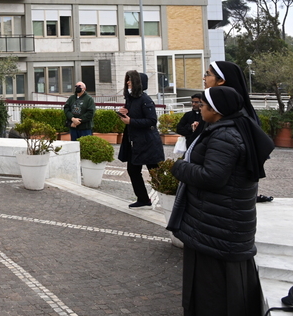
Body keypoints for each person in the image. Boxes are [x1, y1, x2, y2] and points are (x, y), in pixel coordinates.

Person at [167, 86, 275, 316]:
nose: (199, 109)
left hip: (218, 223)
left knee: (214, 292)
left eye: (203, 106)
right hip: (220, 221)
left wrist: (180, 167)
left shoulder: (225, 135)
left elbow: (212, 176)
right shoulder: (231, 129)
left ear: (215, 111)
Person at [204, 60, 274, 203]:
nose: (204, 78)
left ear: (221, 80)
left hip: (226, 196)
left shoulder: (234, 116)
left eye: (207, 74)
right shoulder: (225, 111)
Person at [117, 70, 164, 208]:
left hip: (148, 143)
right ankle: (143, 199)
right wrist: (124, 113)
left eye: (130, 80)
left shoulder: (145, 99)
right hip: (135, 143)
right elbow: (135, 117)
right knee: (133, 170)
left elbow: (151, 121)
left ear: (137, 82)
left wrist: (131, 121)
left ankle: (173, 198)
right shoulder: (131, 99)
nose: (127, 82)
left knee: (156, 173)